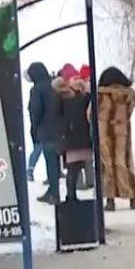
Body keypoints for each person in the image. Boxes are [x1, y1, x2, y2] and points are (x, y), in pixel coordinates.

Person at [97, 66, 135, 210]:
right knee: (125, 163)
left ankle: (110, 201)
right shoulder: (128, 95)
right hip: (122, 133)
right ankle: (133, 199)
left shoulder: (100, 95)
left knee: (107, 164)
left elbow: (90, 113)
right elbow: (129, 112)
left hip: (104, 133)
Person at [27, 61, 64, 203]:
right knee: (55, 161)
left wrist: (34, 129)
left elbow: (35, 111)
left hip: (46, 129)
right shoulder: (53, 86)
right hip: (59, 128)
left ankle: (54, 193)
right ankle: (52, 190)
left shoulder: (37, 89)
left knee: (50, 162)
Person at [55, 66, 93, 204]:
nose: (77, 81)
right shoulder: (62, 96)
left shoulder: (84, 95)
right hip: (70, 137)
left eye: (78, 78)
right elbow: (57, 117)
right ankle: (70, 195)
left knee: (80, 165)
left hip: (83, 136)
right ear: (67, 81)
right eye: (73, 78)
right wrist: (64, 131)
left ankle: (75, 193)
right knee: (72, 168)